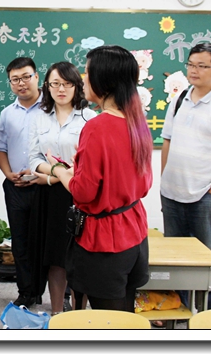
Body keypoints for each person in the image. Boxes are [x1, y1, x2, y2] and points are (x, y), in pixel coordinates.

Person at [49, 45, 153, 313]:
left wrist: (59, 170)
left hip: (105, 241)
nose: (83, 79)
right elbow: (142, 183)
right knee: (125, 314)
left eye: (87, 72)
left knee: (108, 321)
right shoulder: (137, 120)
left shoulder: (97, 127)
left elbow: (83, 192)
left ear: (103, 79)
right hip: (134, 231)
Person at [160, 42, 211, 309]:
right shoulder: (179, 99)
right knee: (176, 262)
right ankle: (179, 314)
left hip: (207, 198)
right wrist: (165, 179)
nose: (193, 70)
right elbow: (167, 141)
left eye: (201, 66)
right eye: (190, 64)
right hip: (173, 194)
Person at [28, 61, 96, 315]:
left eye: (67, 84)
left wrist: (58, 174)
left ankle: (78, 316)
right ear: (47, 86)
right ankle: (57, 314)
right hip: (51, 196)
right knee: (55, 258)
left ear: (77, 86)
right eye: (55, 84)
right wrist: (57, 175)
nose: (61, 89)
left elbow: (91, 161)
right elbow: (33, 158)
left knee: (79, 258)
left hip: (80, 194)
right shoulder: (39, 117)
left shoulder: (90, 118)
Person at [0, 57, 43, 308]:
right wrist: (8, 174)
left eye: (26, 77)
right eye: (15, 79)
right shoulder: (7, 113)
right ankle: (26, 292)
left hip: (45, 186)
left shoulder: (53, 108)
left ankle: (59, 294)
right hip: (16, 187)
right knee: (20, 243)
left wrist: (41, 174)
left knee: (47, 243)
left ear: (37, 77)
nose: (21, 83)